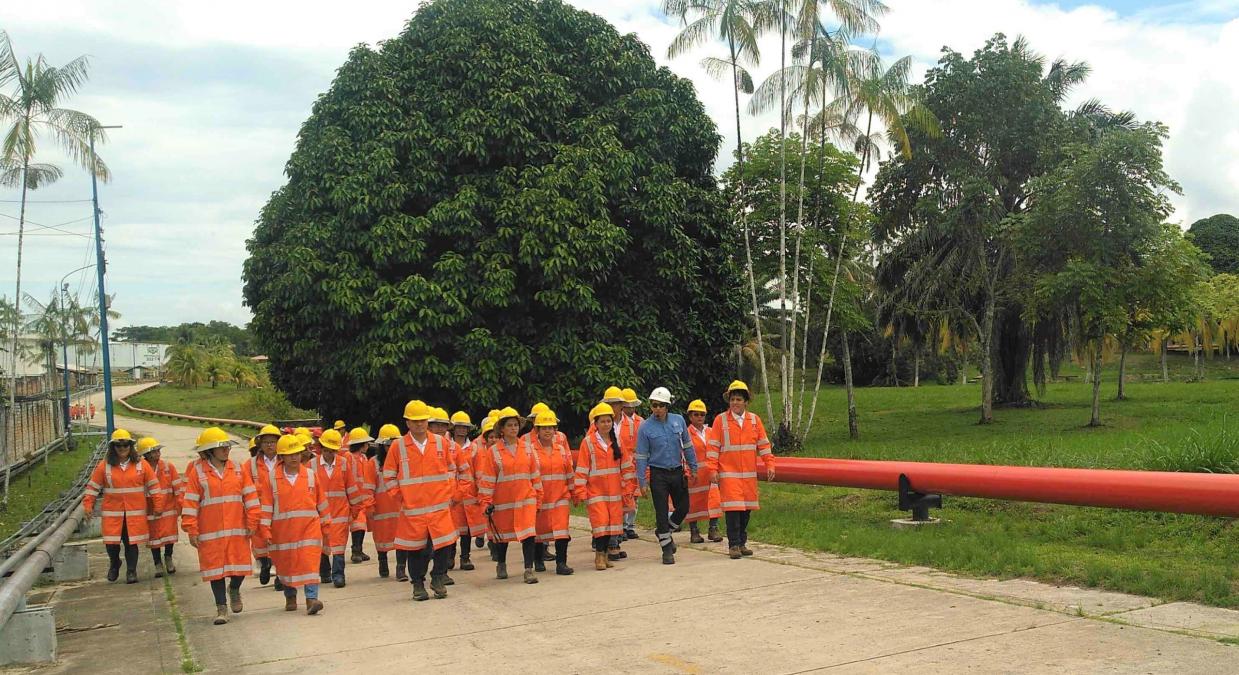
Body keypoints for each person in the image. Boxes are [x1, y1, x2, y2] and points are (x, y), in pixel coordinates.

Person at [181, 427, 261, 625]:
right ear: (209, 451)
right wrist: (191, 529)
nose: (226, 450)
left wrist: (253, 520)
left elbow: (250, 496)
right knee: (215, 570)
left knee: (240, 567)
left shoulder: (238, 469)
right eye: (221, 447)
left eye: (227, 446)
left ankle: (234, 589)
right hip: (210, 532)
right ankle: (221, 608)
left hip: (236, 528)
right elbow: (190, 502)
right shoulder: (197, 473)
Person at [383, 400, 459, 601]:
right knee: (417, 549)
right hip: (413, 509)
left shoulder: (441, 443)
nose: (419, 424)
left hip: (439, 506)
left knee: (444, 545)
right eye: (415, 421)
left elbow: (451, 469)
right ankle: (418, 584)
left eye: (423, 420)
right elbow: (389, 475)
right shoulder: (398, 447)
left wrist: (449, 492)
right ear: (407, 423)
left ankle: (438, 578)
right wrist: (401, 497)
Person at [257, 434, 328, 615]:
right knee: (286, 565)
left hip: (309, 529)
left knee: (310, 562)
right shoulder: (272, 479)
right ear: (281, 456)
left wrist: (326, 524)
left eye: (297, 453)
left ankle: (311, 599)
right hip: (283, 532)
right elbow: (266, 506)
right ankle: (290, 595)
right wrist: (264, 529)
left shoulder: (311, 476)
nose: (294, 457)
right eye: (290, 454)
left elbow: (322, 502)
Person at [707, 380, 776, 559]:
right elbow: (713, 447)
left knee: (746, 510)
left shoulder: (754, 421)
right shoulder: (720, 420)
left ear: (746, 402)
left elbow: (764, 444)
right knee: (733, 511)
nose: (735, 403)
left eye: (738, 399)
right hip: (729, 474)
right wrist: (712, 470)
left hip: (748, 476)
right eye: (732, 399)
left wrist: (770, 464)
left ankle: (742, 542)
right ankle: (734, 545)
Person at [474, 407, 543, 584]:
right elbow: (488, 480)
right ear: (502, 429)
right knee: (502, 537)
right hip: (502, 502)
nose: (513, 428)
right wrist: (485, 503)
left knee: (528, 534)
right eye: (509, 425)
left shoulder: (528, 449)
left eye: (515, 425)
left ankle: (528, 569)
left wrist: (538, 499)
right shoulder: (494, 452)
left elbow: (535, 476)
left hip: (526, 500)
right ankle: (502, 564)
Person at [83, 429, 156, 584]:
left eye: (125, 445)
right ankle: (115, 563)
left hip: (133, 513)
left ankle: (131, 571)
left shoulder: (141, 465)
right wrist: (88, 505)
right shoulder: (105, 466)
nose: (122, 448)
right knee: (111, 543)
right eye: (118, 445)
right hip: (113, 513)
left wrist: (158, 505)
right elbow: (93, 487)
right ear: (113, 448)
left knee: (131, 542)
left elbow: (154, 486)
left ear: (131, 446)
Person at [634, 387, 697, 565]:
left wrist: (694, 467)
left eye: (661, 405)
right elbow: (641, 455)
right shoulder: (645, 427)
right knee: (661, 513)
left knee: (683, 507)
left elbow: (687, 446)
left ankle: (664, 531)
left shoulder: (678, 421)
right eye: (654, 405)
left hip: (677, 471)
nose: (658, 409)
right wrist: (642, 481)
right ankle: (667, 549)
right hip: (658, 474)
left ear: (668, 405)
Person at [573, 402, 635, 571]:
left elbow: (627, 466)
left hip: (614, 493)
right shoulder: (588, 443)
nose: (606, 424)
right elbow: (582, 469)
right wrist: (580, 491)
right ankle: (599, 556)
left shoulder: (617, 441)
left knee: (612, 525)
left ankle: (605, 555)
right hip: (596, 493)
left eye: (609, 421)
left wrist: (628, 488)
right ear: (596, 423)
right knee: (600, 525)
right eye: (603, 421)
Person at [311, 428, 359, 588]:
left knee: (339, 545)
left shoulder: (343, 464)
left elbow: (351, 487)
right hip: (319, 514)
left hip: (340, 512)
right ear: (321, 448)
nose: (330, 454)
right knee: (322, 545)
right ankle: (324, 572)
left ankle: (338, 575)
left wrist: (355, 508)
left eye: (333, 451)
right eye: (326, 450)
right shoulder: (311, 466)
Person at [529, 411, 573, 575]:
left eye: (551, 428)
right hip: (541, 497)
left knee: (562, 530)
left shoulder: (561, 450)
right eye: (544, 428)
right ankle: (538, 559)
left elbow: (569, 472)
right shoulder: (531, 451)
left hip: (560, 497)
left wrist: (573, 491)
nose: (548, 431)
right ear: (537, 430)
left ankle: (561, 563)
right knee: (539, 530)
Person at [242, 424, 282, 588]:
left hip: (281, 509)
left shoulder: (285, 460)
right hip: (259, 511)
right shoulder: (250, 465)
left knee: (281, 541)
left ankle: (281, 576)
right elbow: (243, 486)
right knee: (259, 543)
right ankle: (264, 564)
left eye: (273, 442)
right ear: (260, 444)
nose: (270, 445)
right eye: (266, 442)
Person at [138, 436, 182, 577]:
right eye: (154, 451)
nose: (157, 453)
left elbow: (178, 488)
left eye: (158, 450)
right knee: (154, 538)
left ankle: (168, 558)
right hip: (151, 510)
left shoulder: (168, 467)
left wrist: (181, 506)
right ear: (146, 454)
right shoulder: (141, 469)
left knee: (170, 536)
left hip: (168, 508)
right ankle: (157, 563)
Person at [366, 424, 403, 579]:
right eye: (389, 445)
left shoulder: (403, 461)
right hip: (381, 510)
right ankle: (383, 563)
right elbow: (367, 488)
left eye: (395, 444)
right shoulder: (373, 463)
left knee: (403, 540)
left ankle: (401, 569)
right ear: (382, 445)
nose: (392, 448)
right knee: (381, 541)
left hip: (400, 508)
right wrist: (369, 505)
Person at [450, 411, 486, 570]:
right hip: (451, 493)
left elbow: (479, 472)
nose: (462, 430)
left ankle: (465, 558)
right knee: (450, 528)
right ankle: (449, 558)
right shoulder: (446, 446)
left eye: (465, 427)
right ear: (453, 428)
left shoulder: (474, 449)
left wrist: (481, 492)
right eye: (459, 426)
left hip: (469, 494)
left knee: (467, 529)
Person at [684, 400, 723, 543]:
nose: (699, 417)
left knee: (714, 500)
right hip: (694, 474)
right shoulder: (686, 434)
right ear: (690, 416)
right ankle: (694, 531)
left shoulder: (711, 432)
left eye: (702, 414)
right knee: (693, 502)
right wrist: (687, 471)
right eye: (696, 414)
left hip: (711, 473)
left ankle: (713, 529)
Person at [345, 427, 375, 564]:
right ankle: (355, 551)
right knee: (357, 525)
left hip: (363, 498)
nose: (368, 446)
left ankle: (359, 549)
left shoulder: (363, 458)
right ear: (361, 445)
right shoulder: (348, 457)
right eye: (366, 444)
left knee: (362, 526)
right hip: (354, 498)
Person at [619, 388, 644, 540]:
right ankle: (621, 526)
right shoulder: (618, 422)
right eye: (627, 406)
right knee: (623, 495)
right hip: (623, 463)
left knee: (635, 495)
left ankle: (630, 526)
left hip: (636, 463)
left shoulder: (640, 421)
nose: (630, 408)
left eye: (632, 405)